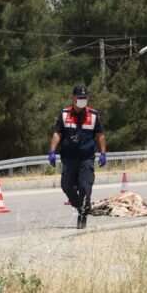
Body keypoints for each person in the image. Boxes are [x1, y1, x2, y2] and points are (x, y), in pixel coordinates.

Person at [48, 85, 107, 229]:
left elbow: (100, 135)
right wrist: (52, 151)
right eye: (79, 98)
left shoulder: (93, 115)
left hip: (86, 158)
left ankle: (82, 215)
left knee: (85, 187)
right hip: (68, 158)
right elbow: (58, 133)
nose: (82, 100)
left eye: (84, 98)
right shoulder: (64, 114)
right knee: (66, 186)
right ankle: (81, 206)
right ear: (73, 98)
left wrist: (103, 153)